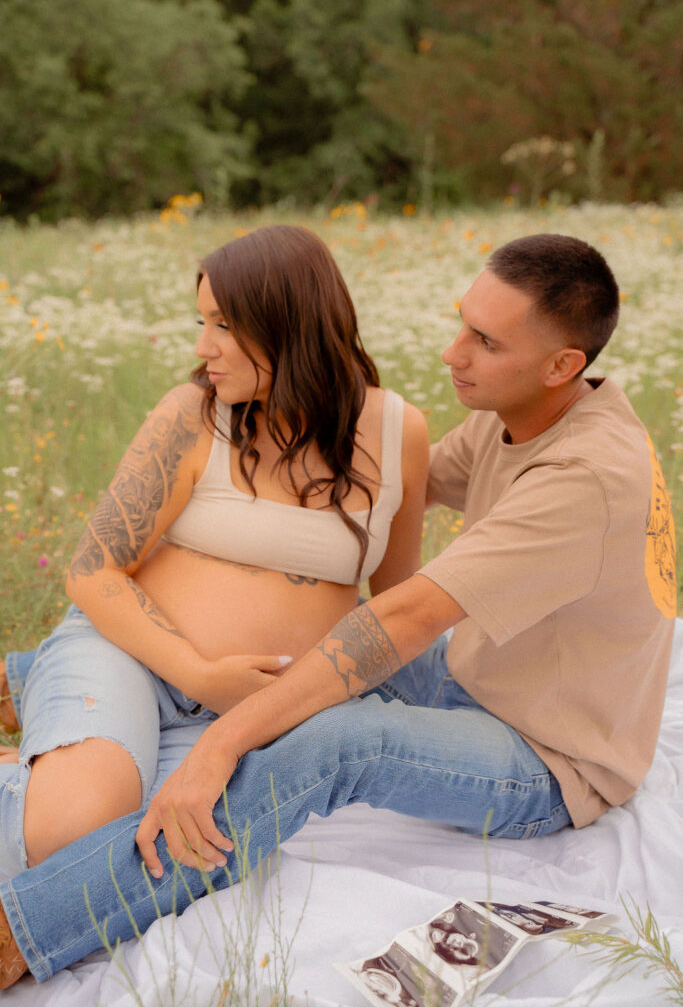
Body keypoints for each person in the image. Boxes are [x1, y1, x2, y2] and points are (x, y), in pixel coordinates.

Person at [0, 233, 676, 990]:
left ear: (563, 365)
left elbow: (403, 613)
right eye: (462, 323)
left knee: (338, 737)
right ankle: (41, 677)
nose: (453, 353)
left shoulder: (586, 472)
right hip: (479, 678)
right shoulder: (517, 413)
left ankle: (26, 929)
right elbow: (391, 487)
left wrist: (225, 741)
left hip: (548, 756)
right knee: (327, 664)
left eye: (484, 341)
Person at [0, 222, 430, 986]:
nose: (203, 346)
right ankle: (41, 729)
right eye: (202, 321)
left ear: (289, 326)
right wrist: (200, 675)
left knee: (178, 844)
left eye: (223, 325)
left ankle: (30, 706)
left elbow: (393, 601)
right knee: (75, 829)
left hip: (262, 709)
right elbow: (93, 570)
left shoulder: (398, 433)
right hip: (129, 654)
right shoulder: (193, 415)